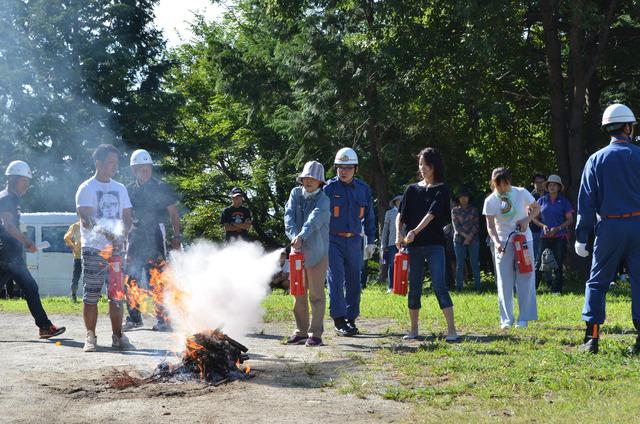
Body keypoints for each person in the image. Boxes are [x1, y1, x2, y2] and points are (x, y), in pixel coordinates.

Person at [575, 103, 640, 354]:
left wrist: (582, 236)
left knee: (597, 282)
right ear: (627, 127)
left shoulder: (596, 159)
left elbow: (586, 201)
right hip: (638, 224)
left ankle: (592, 338)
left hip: (610, 226)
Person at [395, 148, 458, 341]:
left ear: (434, 166)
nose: (422, 168)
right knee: (414, 287)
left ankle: (452, 331)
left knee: (439, 285)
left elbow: (431, 215)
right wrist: (399, 233)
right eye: (420, 164)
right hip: (413, 247)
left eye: (426, 165)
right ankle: (413, 330)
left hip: (434, 245)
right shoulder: (411, 189)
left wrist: (414, 232)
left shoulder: (443, 189)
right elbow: (401, 214)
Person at [76, 144, 134, 352]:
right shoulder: (87, 188)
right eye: (111, 162)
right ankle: (90, 336)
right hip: (94, 249)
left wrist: (123, 235)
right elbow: (86, 219)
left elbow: (128, 217)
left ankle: (118, 336)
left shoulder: (120, 188)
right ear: (98, 163)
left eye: (116, 163)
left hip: (116, 251)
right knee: (91, 294)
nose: (115, 167)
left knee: (117, 295)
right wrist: (110, 235)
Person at [0, 161, 66, 339]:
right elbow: (9, 226)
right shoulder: (7, 198)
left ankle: (45, 327)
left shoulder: (12, 198)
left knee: (30, 288)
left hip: (11, 254)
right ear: (13, 179)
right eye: (24, 180)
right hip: (6, 255)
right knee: (30, 288)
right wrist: (26, 241)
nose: (27, 185)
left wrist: (23, 244)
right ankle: (45, 327)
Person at [123, 149, 181, 332]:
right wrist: (123, 237)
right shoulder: (128, 189)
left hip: (156, 234)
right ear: (134, 169)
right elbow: (126, 216)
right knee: (130, 278)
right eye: (140, 168)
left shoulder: (161, 186)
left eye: (147, 167)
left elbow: (173, 213)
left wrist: (177, 236)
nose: (144, 171)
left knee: (156, 279)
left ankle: (163, 319)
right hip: (135, 237)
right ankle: (134, 318)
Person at [325, 147, 375, 336]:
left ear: (355, 168)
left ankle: (350, 318)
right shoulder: (328, 188)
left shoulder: (363, 189)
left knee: (354, 280)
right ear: (336, 168)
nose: (343, 171)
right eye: (340, 168)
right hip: (332, 241)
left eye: (348, 168)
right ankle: (339, 319)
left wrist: (371, 240)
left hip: (355, 241)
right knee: (336, 279)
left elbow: (369, 216)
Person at [483, 167, 540, 330]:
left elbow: (537, 208)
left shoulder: (521, 192)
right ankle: (506, 319)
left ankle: (524, 318)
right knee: (504, 280)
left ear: (509, 181)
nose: (502, 188)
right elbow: (490, 226)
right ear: (493, 184)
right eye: (498, 185)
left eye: (505, 184)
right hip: (503, 243)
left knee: (526, 277)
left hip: (523, 240)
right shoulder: (491, 200)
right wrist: (497, 242)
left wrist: (526, 220)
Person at [284, 161, 331, 347]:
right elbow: (288, 215)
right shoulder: (295, 193)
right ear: (302, 179)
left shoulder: (324, 200)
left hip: (318, 252)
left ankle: (315, 334)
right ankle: (301, 331)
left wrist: (301, 236)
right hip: (297, 253)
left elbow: (315, 219)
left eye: (313, 178)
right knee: (298, 293)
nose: (309, 181)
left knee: (317, 295)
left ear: (320, 182)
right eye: (306, 178)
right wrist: (294, 236)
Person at [531, 174, 574, 293]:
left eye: (554, 185)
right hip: (544, 236)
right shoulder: (541, 200)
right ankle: (533, 290)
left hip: (560, 236)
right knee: (538, 263)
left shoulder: (564, 201)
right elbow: (534, 217)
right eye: (550, 185)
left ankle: (556, 290)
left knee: (558, 263)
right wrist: (543, 226)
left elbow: (570, 219)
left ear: (559, 187)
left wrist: (558, 228)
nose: (552, 187)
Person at [451, 188, 481, 290]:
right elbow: (456, 227)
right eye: (461, 197)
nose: (463, 199)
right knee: (460, 263)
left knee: (474, 263)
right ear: (458, 199)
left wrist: (469, 237)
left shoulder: (474, 209)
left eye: (465, 197)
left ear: (469, 198)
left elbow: (476, 225)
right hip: (459, 240)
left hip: (473, 239)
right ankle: (459, 287)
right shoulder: (454, 210)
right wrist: (466, 237)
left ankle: (478, 287)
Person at [381, 195, 402, 293]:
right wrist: (383, 244)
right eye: (400, 200)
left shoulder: (406, 212)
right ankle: (391, 287)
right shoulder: (389, 213)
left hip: (405, 242)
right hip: (392, 243)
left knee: (404, 265)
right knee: (392, 265)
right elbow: (385, 230)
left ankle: (402, 286)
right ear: (396, 201)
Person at [530, 173, 546, 283]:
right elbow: (530, 215)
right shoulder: (530, 197)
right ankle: (535, 282)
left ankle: (549, 281)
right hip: (534, 231)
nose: (540, 184)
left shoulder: (550, 195)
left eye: (542, 182)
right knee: (536, 256)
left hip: (549, 230)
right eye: (537, 182)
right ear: (534, 184)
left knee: (548, 256)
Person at [63, 220, 82, 302]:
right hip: (79, 256)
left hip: (90, 255)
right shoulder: (76, 226)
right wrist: (73, 247)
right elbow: (66, 237)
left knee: (92, 276)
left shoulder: (93, 226)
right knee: (76, 277)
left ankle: (95, 295)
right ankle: (73, 296)